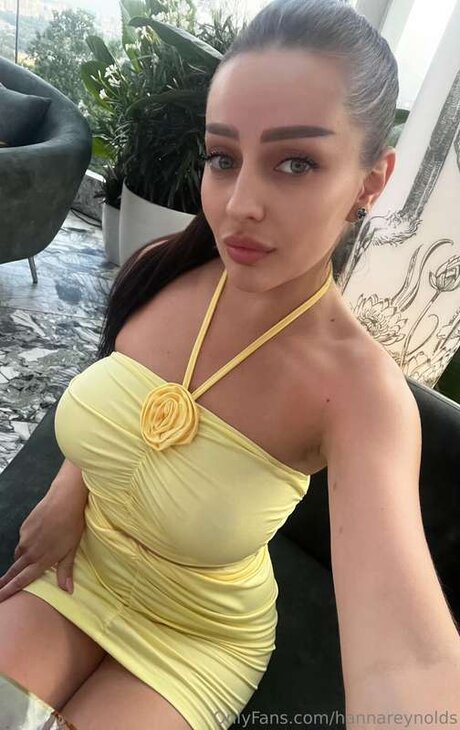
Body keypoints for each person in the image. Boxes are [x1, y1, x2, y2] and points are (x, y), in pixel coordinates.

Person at [0, 0, 459, 727]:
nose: (240, 204)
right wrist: (70, 487)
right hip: (78, 565)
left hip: (197, 639)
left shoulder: (359, 395)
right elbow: (119, 416)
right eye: (223, 158)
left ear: (371, 183)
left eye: (296, 163)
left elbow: (409, 662)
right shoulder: (159, 268)